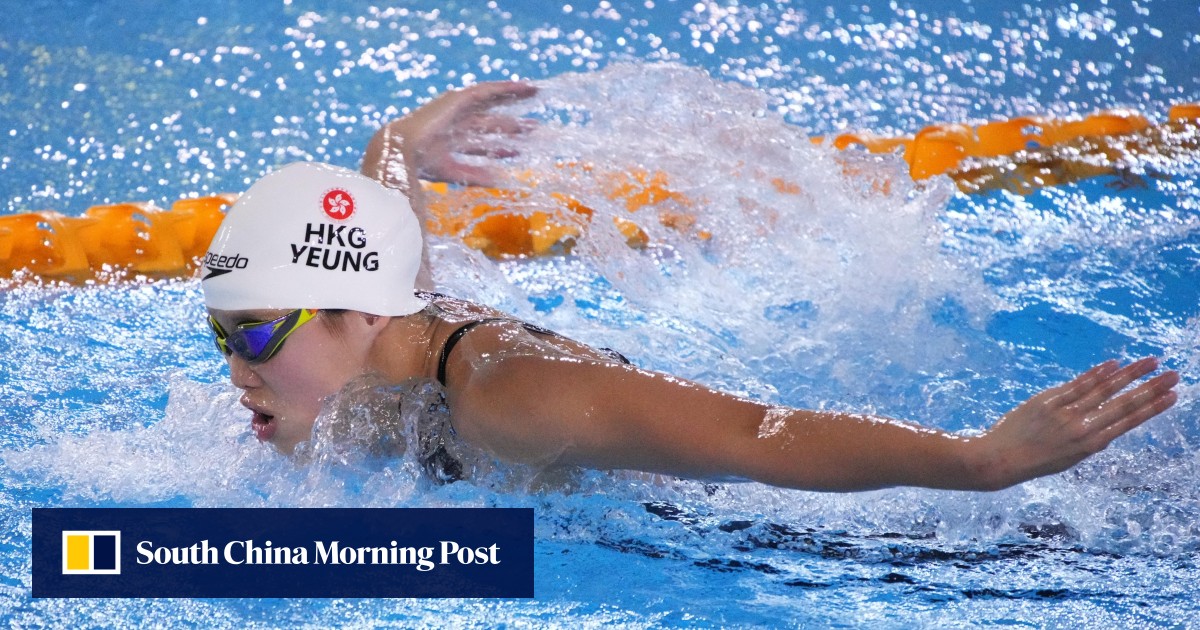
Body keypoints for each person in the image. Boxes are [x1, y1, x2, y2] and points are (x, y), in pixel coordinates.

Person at [202, 81, 1179, 492]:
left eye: (251, 338)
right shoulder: (389, 315)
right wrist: (402, 142)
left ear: (353, 310)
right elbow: (384, 208)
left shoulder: (510, 395)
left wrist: (978, 463)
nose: (234, 372)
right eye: (223, 338)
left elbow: (756, 435)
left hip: (772, 540)